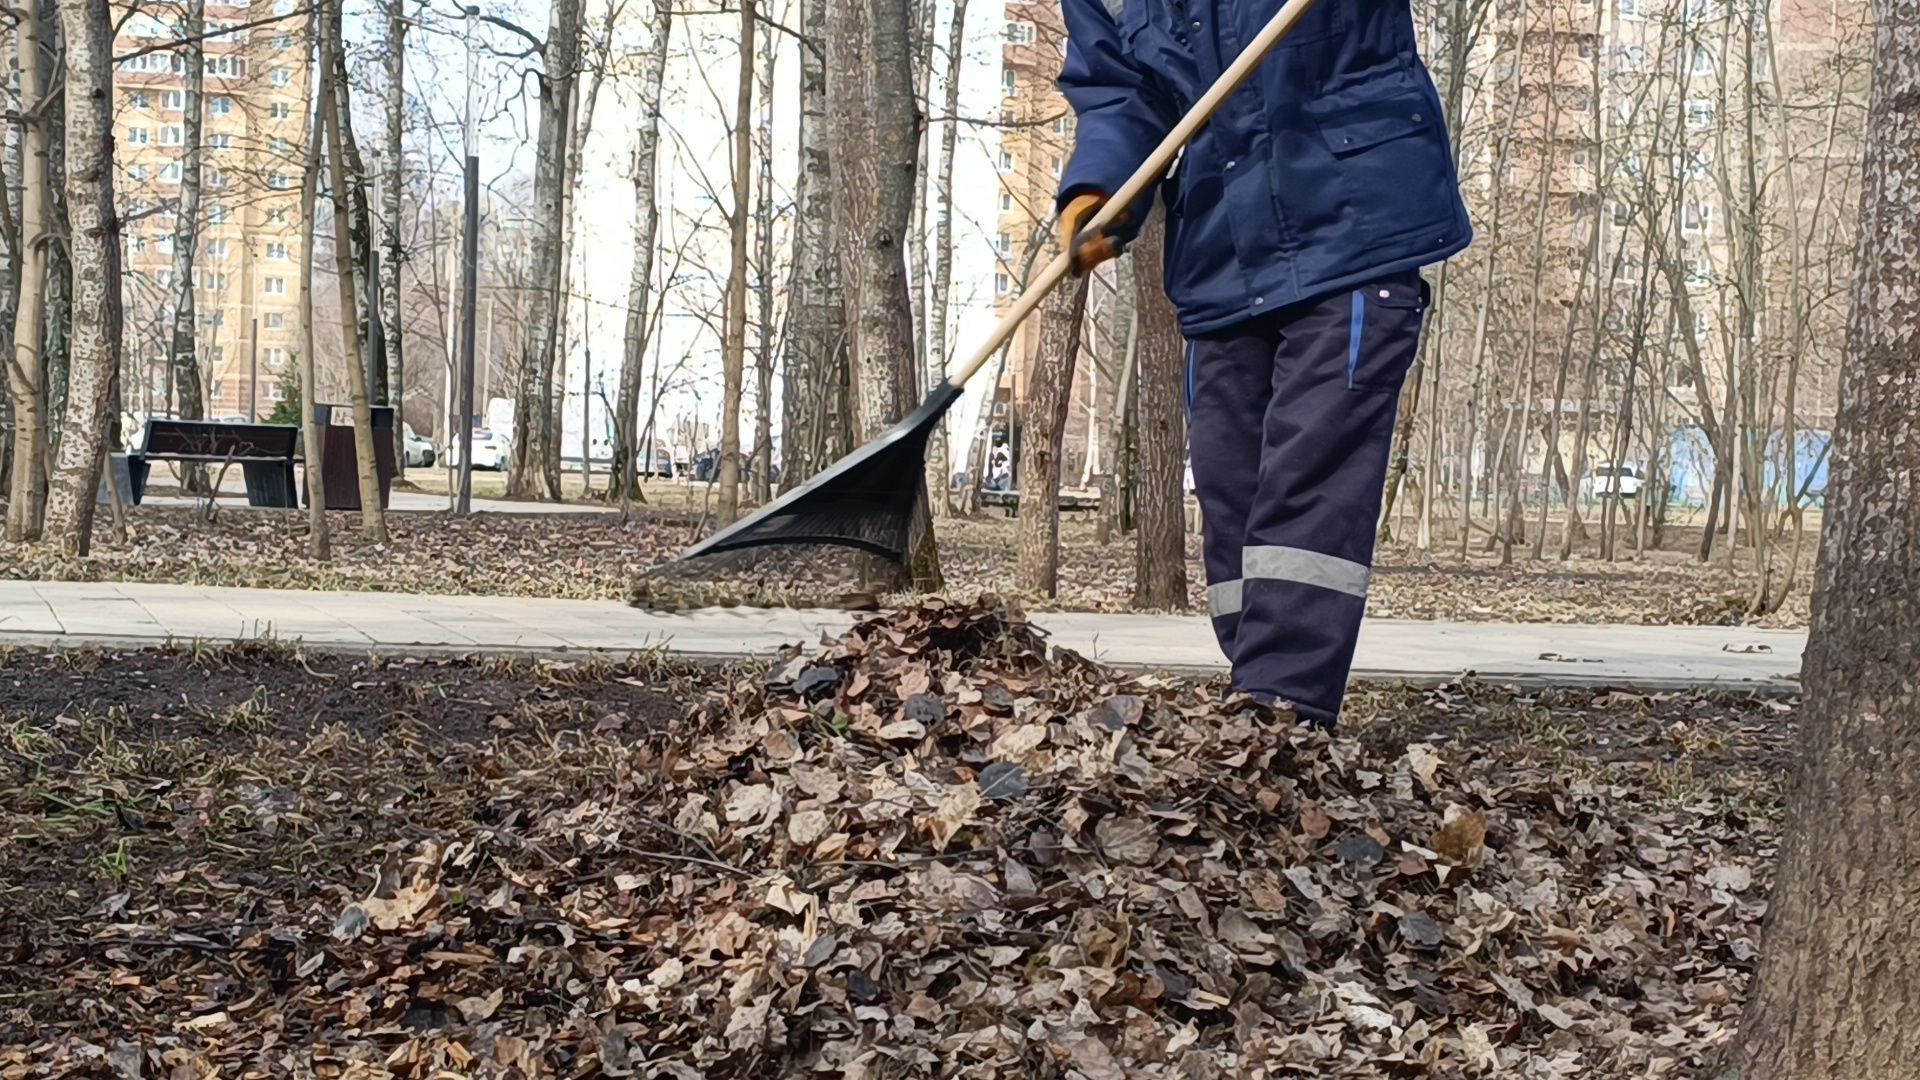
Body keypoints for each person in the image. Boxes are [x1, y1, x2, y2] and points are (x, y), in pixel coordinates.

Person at [1055, 0, 1471, 727]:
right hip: (1223, 250)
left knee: (1310, 473)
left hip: (1354, 223)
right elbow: (1120, 89)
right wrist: (1100, 189)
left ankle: (1283, 713)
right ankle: (1255, 687)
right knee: (1230, 491)